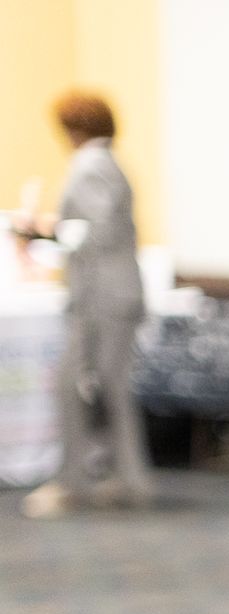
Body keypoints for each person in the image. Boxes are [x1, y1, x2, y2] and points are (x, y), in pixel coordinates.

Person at [12, 91, 150, 518]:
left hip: (101, 297)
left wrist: (42, 233)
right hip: (114, 293)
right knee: (111, 387)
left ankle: (74, 482)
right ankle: (128, 478)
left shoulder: (89, 166)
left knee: (73, 385)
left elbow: (93, 232)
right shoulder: (110, 163)